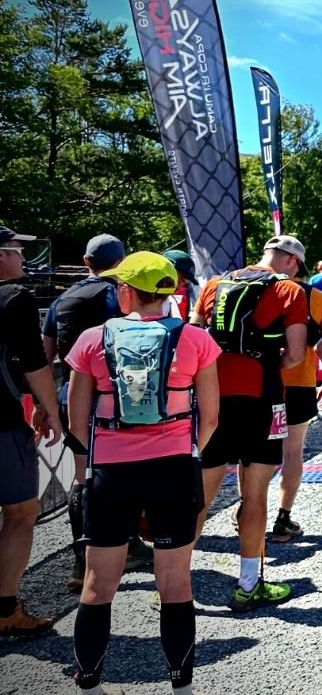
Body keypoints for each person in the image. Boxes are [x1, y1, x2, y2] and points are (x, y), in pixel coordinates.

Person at [65, 251, 220, 695]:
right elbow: (209, 419)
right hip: (172, 468)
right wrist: (185, 453)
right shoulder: (195, 340)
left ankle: (90, 682)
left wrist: (90, 468)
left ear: (127, 291)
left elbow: (78, 423)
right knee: (174, 583)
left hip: (112, 472)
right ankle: (181, 684)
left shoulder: (92, 340)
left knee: (97, 584)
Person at [192, 234, 308, 610]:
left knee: (200, 495)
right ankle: (247, 585)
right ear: (290, 260)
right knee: (254, 493)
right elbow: (295, 352)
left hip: (213, 397)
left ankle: (172, 587)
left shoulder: (213, 284)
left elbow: (192, 340)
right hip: (263, 397)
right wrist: (268, 363)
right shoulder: (290, 291)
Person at [41, 233, 152, 591]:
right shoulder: (118, 295)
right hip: (113, 398)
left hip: (68, 394)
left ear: (86, 262)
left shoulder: (63, 299)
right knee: (126, 471)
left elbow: (46, 356)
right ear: (123, 261)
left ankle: (81, 562)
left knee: (81, 476)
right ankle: (127, 545)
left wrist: (45, 406)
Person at [0, 226, 61, 637]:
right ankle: (5, 609)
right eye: (18, 251)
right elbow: (33, 359)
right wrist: (50, 409)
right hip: (1, 422)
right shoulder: (13, 297)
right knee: (22, 512)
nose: (24, 259)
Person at [274, 266, 322, 541]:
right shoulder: (316, 296)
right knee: (292, 451)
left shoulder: (255, 289)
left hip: (260, 382)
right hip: (300, 382)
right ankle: (283, 517)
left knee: (251, 453)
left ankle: (245, 511)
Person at [162, 249, 197, 322]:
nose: (179, 287)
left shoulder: (170, 301)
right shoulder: (138, 294)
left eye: (184, 284)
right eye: (179, 280)